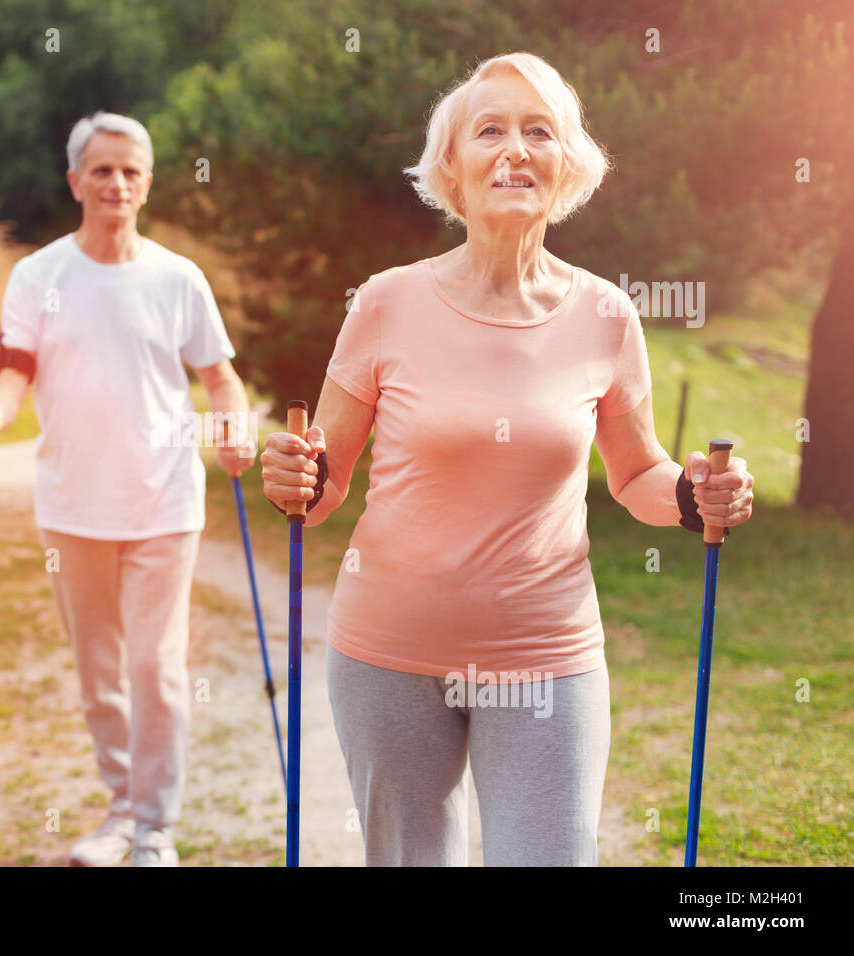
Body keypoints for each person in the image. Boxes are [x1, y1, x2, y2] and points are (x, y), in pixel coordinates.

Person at [260, 52, 756, 866]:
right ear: (452, 167)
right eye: (490, 130)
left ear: (567, 165)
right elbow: (321, 488)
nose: (515, 149)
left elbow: (637, 476)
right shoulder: (385, 301)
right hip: (388, 653)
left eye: (539, 132)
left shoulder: (604, 313)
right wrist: (294, 478)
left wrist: (697, 495)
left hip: (546, 657)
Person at [0, 111, 255, 866]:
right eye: (102, 170)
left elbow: (220, 379)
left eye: (130, 171)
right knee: (99, 677)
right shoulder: (38, 276)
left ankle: (155, 830)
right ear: (76, 182)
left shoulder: (177, 278)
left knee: (155, 667)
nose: (116, 182)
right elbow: (16, 373)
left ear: (147, 184)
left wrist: (233, 427)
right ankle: (121, 811)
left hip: (165, 503)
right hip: (72, 508)